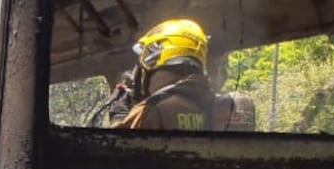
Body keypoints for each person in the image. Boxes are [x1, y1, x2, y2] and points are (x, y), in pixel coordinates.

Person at [108, 18, 253, 132]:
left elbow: (114, 152)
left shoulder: (152, 109)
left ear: (152, 58)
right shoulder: (210, 104)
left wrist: (119, 115)